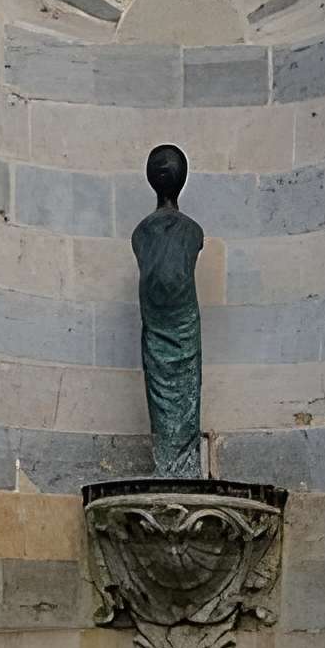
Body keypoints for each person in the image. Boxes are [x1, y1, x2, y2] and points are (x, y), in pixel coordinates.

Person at [131, 144, 204, 479]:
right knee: (163, 398)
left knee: (184, 394)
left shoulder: (187, 231)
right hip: (163, 326)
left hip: (181, 326)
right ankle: (173, 466)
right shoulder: (147, 232)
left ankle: (182, 467)